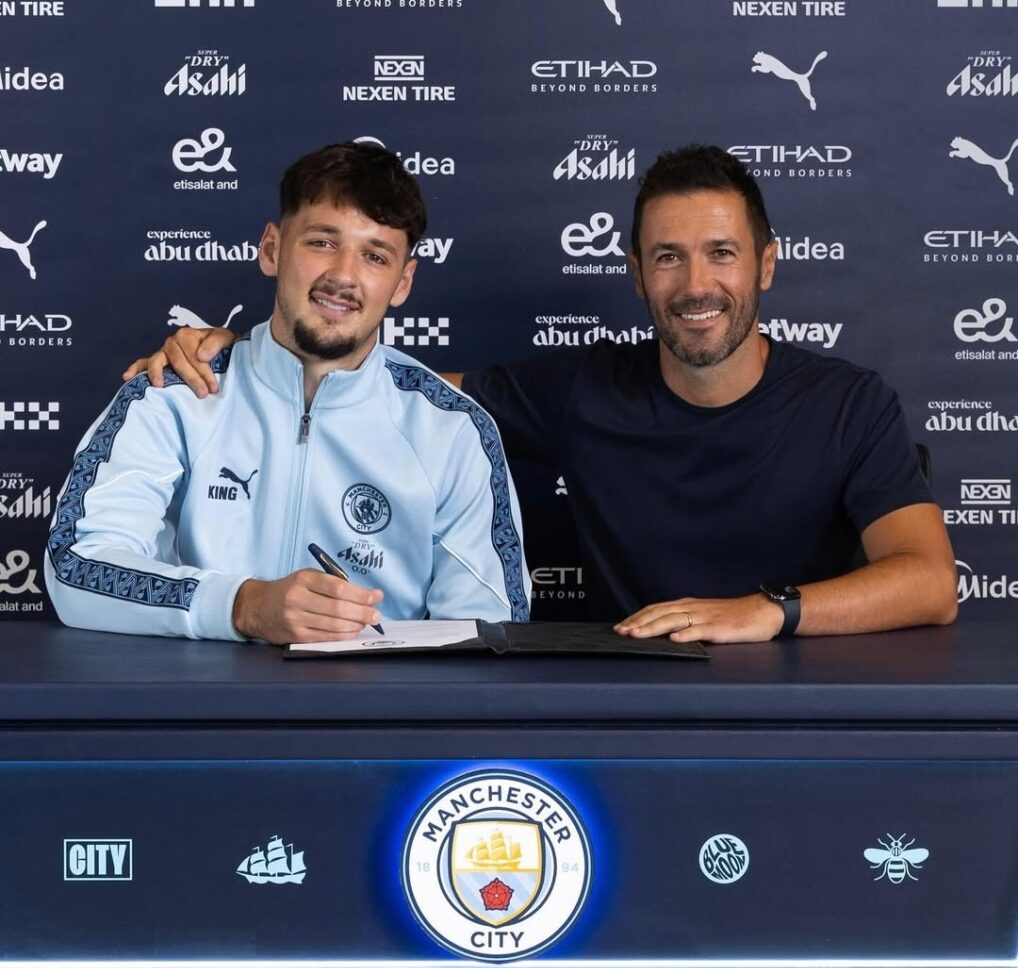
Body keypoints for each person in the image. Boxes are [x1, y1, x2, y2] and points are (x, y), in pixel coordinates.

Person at [125, 145, 956, 644]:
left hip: (805, 704)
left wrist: (766, 613)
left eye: (721, 254)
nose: (696, 285)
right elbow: (382, 387)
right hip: (631, 703)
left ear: (766, 264)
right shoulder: (584, 389)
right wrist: (247, 351)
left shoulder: (850, 403)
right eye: (668, 257)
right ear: (636, 273)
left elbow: (929, 582)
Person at [47, 141, 529, 643]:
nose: (343, 275)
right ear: (271, 249)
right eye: (322, 242)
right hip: (194, 695)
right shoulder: (173, 394)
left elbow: (488, 631)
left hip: (377, 697)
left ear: (403, 281)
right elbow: (76, 567)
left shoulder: (453, 430)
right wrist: (243, 605)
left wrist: (376, 663)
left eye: (374, 256)